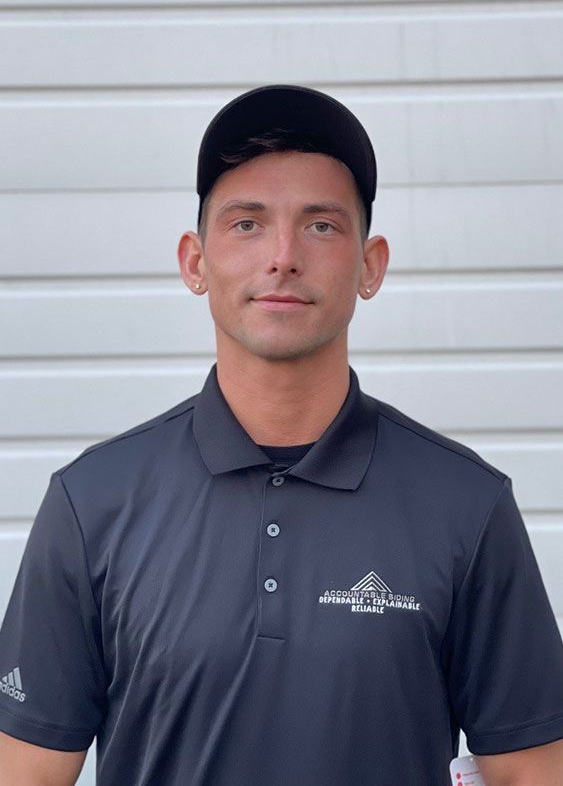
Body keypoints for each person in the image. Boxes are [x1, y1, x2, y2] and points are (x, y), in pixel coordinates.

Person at [0, 84, 562, 786]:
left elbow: (529, 772)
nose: (283, 255)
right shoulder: (93, 504)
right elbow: (25, 773)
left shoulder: (465, 505)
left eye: (321, 225)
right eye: (246, 223)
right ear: (194, 261)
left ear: (370, 265)